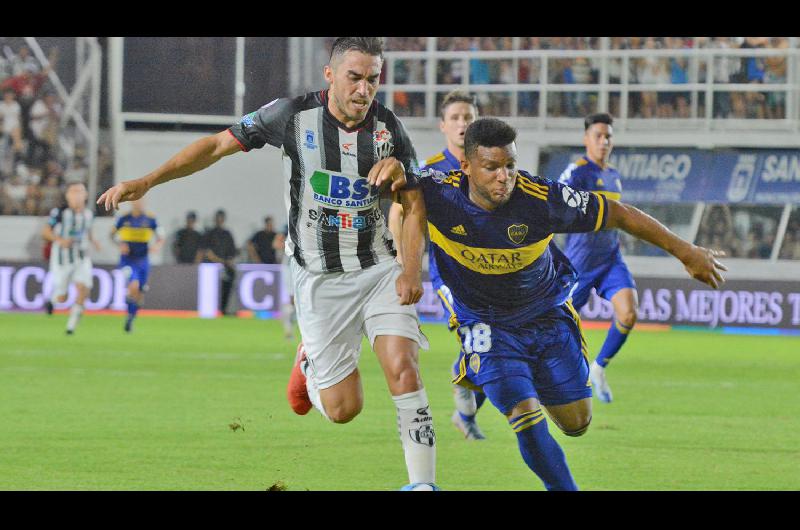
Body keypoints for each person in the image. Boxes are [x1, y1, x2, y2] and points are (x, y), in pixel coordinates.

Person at [96, 37, 438, 491]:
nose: (364, 89)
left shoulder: (389, 129)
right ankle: (310, 365)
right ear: (330, 75)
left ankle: (423, 484)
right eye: (354, 77)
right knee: (343, 410)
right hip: (320, 278)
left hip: (378, 267)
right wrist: (148, 180)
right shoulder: (290, 116)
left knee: (404, 368)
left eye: (373, 79)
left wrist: (411, 270)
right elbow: (218, 146)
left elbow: (413, 203)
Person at [401, 117, 725, 491]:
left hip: (545, 314)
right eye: (491, 167)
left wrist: (686, 252)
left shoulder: (543, 199)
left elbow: (618, 214)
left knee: (577, 424)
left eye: (510, 165)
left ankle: (492, 371)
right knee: (522, 411)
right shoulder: (436, 191)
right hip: (486, 322)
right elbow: (393, 191)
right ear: (466, 167)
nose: (504, 176)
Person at [393, 90, 487, 441]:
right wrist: (406, 262)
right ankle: (466, 406)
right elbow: (400, 213)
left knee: (499, 352)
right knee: (481, 343)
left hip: (494, 273)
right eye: (456, 118)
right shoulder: (430, 170)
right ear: (443, 125)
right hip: (451, 274)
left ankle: (466, 404)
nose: (463, 123)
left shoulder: (490, 166)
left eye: (469, 117)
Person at [557, 113, 635, 404]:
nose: (604, 141)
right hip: (579, 263)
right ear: (586, 139)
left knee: (628, 313)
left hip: (610, 259)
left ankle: (598, 368)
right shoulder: (576, 172)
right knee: (556, 326)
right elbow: (554, 202)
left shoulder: (614, 177)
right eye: (598, 135)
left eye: (608, 136)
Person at [42, 181, 101, 334]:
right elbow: (46, 232)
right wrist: (60, 240)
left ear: (86, 195)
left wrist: (94, 241)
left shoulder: (89, 214)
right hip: (62, 259)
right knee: (63, 296)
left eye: (80, 191)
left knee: (84, 289)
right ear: (67, 195)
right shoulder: (60, 213)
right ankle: (53, 300)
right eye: (73, 192)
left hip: (82, 258)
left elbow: (88, 231)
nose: (77, 195)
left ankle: (71, 326)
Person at [110, 198, 165, 333]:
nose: (138, 204)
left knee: (139, 293)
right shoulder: (123, 218)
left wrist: (157, 246)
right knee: (133, 285)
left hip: (143, 260)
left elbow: (161, 236)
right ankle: (130, 313)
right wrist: (120, 244)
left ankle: (131, 317)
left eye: (141, 202)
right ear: (132, 203)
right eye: (136, 201)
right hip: (128, 260)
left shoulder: (150, 219)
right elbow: (111, 235)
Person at [200, 209, 238, 315]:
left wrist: (228, 261)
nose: (219, 220)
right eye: (218, 218)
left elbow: (232, 252)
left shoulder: (227, 234)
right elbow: (206, 252)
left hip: (225, 267)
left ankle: (224, 309)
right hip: (211, 266)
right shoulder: (209, 233)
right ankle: (211, 309)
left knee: (228, 285)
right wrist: (220, 261)